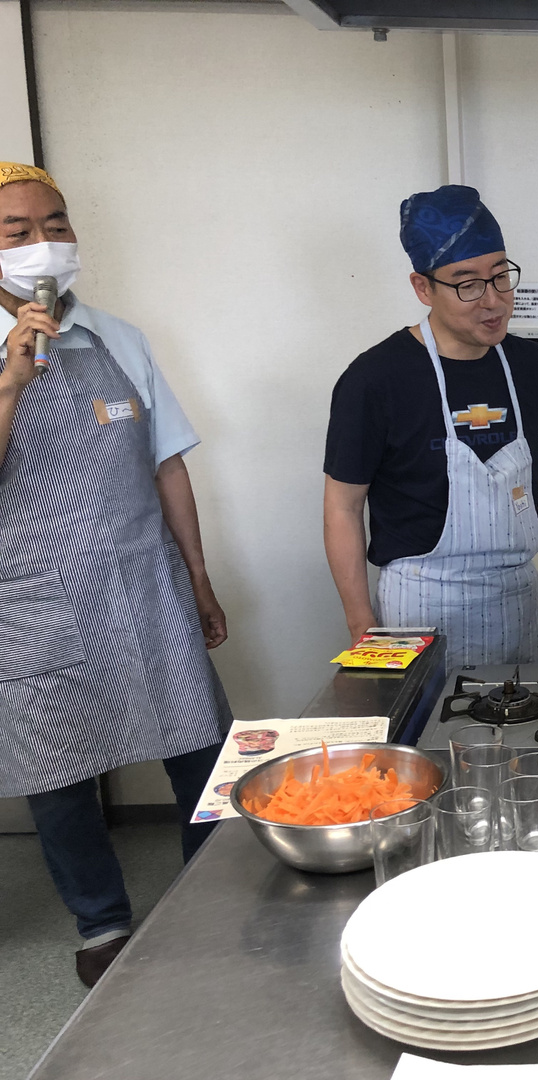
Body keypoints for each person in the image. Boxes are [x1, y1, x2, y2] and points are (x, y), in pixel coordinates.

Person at [0, 163, 231, 986]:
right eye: (17, 231)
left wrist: (198, 576)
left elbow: (167, 464)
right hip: (35, 598)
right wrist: (10, 383)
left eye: (55, 224)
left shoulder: (117, 337)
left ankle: (216, 895)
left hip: (144, 581)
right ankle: (102, 922)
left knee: (202, 749)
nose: (43, 243)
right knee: (59, 771)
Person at [324, 186, 538, 668]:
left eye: (501, 276)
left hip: (516, 596)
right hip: (420, 601)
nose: (493, 300)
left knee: (528, 716)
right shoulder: (375, 378)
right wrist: (359, 621)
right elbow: (343, 506)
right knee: (428, 718)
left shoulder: (528, 363)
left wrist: (515, 491)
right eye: (467, 284)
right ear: (422, 287)